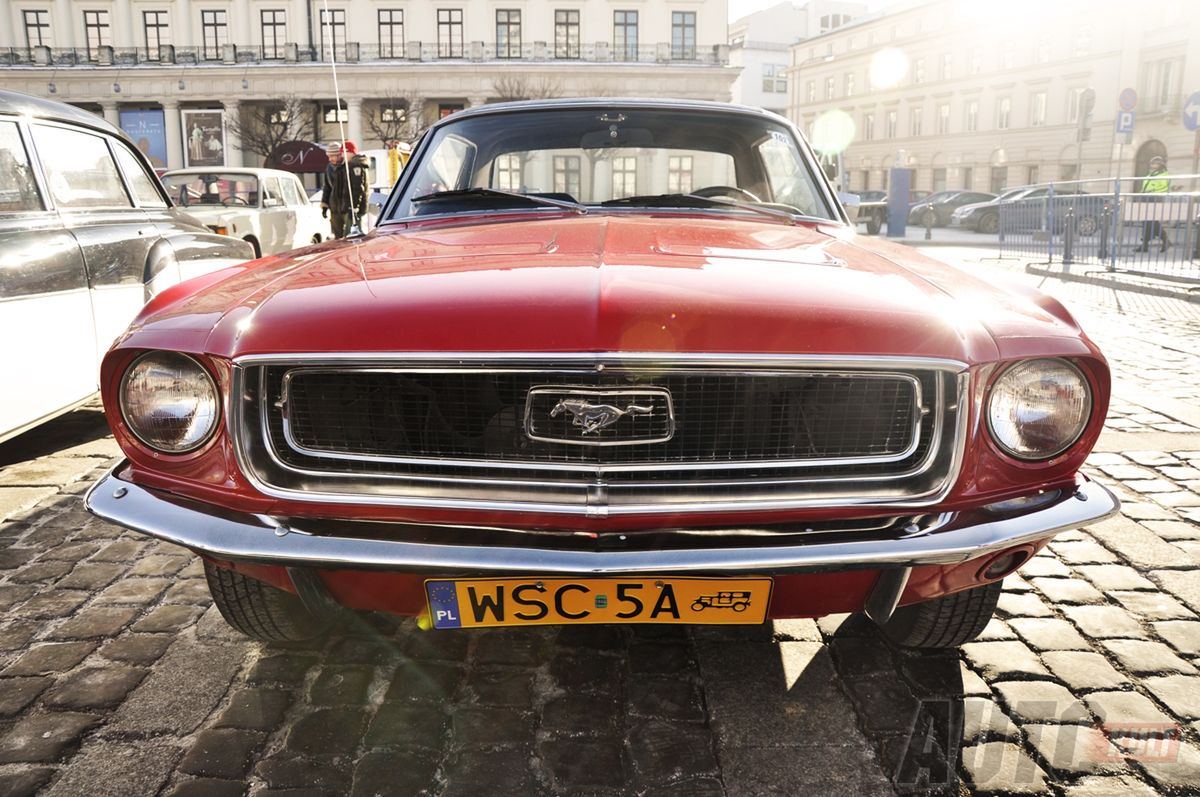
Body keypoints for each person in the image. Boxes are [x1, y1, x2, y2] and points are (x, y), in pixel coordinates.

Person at [321, 141, 369, 238]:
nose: (330, 159)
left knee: (350, 235)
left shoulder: (351, 166)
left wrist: (354, 207)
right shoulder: (331, 168)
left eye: (332, 156)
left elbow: (356, 188)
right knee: (338, 236)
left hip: (348, 207)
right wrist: (325, 204)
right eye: (328, 156)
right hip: (336, 207)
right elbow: (327, 187)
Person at [1137, 155, 1169, 253]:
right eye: (1151, 163)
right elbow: (1145, 186)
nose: (1152, 165)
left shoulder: (1164, 174)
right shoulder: (1150, 174)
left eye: (1154, 163)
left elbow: (1163, 187)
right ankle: (1147, 245)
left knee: (1151, 222)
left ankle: (1147, 245)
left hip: (1155, 199)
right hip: (1147, 199)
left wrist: (1152, 191)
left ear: (1160, 164)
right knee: (1148, 222)